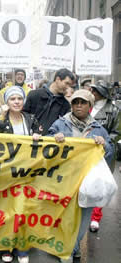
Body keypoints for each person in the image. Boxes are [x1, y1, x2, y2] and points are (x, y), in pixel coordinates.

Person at [48, 89, 113, 263]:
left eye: (83, 103)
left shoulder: (98, 129)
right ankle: (67, 250)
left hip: (88, 181)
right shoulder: (60, 124)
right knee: (64, 217)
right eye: (75, 102)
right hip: (64, 180)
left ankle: (73, 247)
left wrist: (104, 145)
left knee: (84, 219)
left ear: (90, 106)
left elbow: (109, 155)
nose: (78, 106)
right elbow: (45, 147)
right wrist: (54, 137)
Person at [0, 86, 41, 263]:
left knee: (24, 211)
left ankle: (22, 247)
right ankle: (6, 247)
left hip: (27, 173)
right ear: (7, 102)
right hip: (7, 174)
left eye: (19, 99)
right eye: (12, 99)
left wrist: (37, 135)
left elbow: (40, 140)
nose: (16, 102)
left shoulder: (30, 118)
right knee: (7, 211)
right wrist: (2, 116)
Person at [89, 80, 120, 232]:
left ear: (103, 94)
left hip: (104, 152)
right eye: (92, 90)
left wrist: (104, 142)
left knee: (101, 184)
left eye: (96, 91)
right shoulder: (85, 105)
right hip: (86, 151)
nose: (92, 93)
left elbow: (116, 132)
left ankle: (95, 217)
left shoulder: (114, 110)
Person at [23, 68, 74, 135]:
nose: (68, 87)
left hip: (51, 143)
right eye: (66, 83)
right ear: (58, 79)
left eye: (70, 85)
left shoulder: (66, 105)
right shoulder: (34, 95)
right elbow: (23, 117)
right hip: (31, 141)